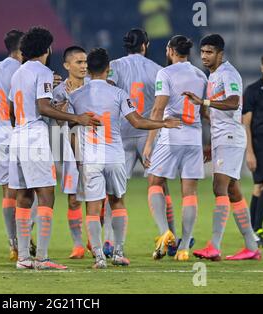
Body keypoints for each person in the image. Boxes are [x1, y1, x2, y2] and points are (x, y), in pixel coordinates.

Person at [68, 48, 181, 268]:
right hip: (114, 156)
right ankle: (118, 252)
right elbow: (137, 122)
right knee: (117, 202)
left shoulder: (77, 95)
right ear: (108, 70)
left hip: (91, 157)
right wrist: (163, 123)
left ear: (88, 69)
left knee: (92, 207)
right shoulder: (119, 93)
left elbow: (70, 123)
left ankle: (100, 256)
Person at [8, 27, 100, 270]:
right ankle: (42, 258)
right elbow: (43, 107)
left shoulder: (18, 73)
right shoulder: (43, 71)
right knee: (46, 193)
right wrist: (77, 118)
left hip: (16, 136)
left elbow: (11, 111)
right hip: (34, 136)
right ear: (47, 48)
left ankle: (23, 258)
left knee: (24, 196)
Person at [108, 28, 190, 256]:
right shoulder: (158, 69)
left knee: (115, 192)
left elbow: (108, 92)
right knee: (159, 184)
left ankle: (109, 243)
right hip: (148, 132)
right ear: (145, 45)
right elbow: (161, 106)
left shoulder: (114, 66)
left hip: (121, 133)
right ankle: (170, 236)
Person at [186, 34, 261, 261]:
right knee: (232, 190)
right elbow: (219, 113)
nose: (205, 56)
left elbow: (233, 102)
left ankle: (215, 245)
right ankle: (251, 246)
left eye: (210, 52)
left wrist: (204, 103)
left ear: (220, 53)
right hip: (222, 137)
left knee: (219, 188)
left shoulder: (228, 74)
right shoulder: (214, 76)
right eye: (203, 52)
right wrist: (211, 141)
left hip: (230, 137)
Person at [143, 35, 207, 261]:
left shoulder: (166, 73)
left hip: (172, 135)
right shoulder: (200, 75)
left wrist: (149, 143)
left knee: (155, 181)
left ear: (170, 50)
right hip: (194, 136)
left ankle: (164, 232)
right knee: (189, 192)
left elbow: (158, 110)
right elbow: (205, 112)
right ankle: (184, 247)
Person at [0, 29, 25, 261]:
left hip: (0, 136)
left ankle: (12, 243)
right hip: (20, 134)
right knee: (26, 190)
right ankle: (24, 239)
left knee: (6, 190)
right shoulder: (23, 71)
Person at [52, 46, 87, 259]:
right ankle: (78, 245)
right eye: (79, 62)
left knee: (98, 198)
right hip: (71, 153)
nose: (83, 66)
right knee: (73, 199)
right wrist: (62, 111)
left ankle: (97, 240)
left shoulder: (95, 87)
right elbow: (56, 121)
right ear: (67, 65)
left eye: (85, 62)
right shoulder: (58, 92)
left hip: (95, 150)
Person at [242, 51, 263, 248]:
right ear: (262, 67)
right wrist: (249, 151)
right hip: (260, 142)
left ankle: (254, 231)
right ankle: (256, 229)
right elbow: (246, 123)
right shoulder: (254, 90)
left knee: (259, 188)